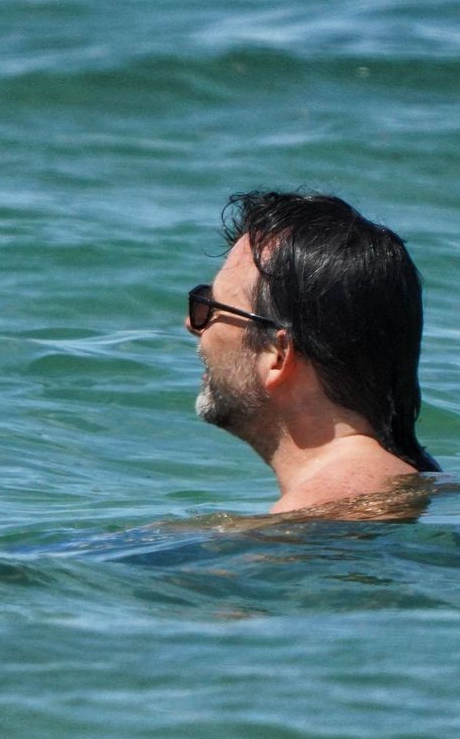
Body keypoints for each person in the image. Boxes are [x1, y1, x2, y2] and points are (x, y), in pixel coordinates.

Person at [185, 190, 438, 514]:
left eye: (210, 307)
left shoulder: (306, 523)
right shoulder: (427, 485)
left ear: (277, 354)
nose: (192, 324)